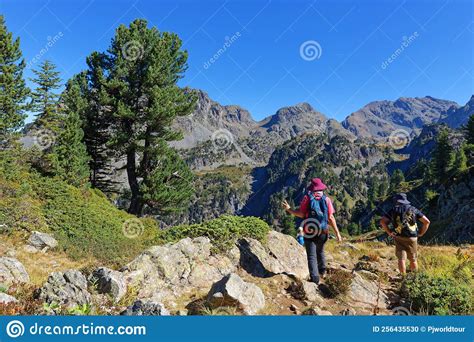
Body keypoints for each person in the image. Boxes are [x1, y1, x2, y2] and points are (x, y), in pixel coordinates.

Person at [282, 178, 342, 284]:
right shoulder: (327, 199)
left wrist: (289, 209)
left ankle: (314, 279)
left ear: (312, 188)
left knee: (311, 255)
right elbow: (331, 217)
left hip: (310, 231)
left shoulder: (307, 198)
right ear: (321, 188)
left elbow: (300, 214)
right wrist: (337, 233)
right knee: (321, 251)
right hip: (323, 231)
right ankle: (323, 271)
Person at [380, 193, 430, 275]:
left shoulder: (393, 210)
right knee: (413, 259)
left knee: (401, 259)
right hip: (412, 237)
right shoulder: (413, 209)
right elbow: (427, 222)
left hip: (399, 236)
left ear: (397, 201)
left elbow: (382, 221)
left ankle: (403, 277)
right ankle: (414, 278)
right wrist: (421, 233)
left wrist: (389, 232)